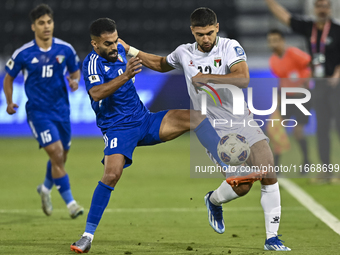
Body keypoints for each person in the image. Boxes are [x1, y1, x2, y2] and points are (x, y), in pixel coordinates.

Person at [70, 17, 251, 254]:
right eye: (107, 44)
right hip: (118, 129)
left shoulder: (121, 51)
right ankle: (87, 235)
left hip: (145, 121)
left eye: (115, 41)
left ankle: (229, 166)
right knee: (112, 175)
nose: (113, 47)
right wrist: (125, 75)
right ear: (95, 45)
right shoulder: (92, 63)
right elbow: (96, 93)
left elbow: (156, 62)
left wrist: (132, 51)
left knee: (195, 117)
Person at [119, 7, 291, 252]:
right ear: (193, 31)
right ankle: (213, 201)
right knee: (242, 186)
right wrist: (130, 50)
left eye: (209, 33)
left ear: (217, 28)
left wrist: (209, 78)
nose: (205, 39)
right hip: (212, 127)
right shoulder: (183, 53)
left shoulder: (230, 47)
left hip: (242, 120)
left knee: (268, 169)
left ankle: (272, 237)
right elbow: (159, 63)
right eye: (200, 34)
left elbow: (242, 78)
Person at [3, 4, 84, 218]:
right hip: (39, 112)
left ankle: (45, 189)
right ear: (33, 27)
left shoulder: (65, 49)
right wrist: (9, 102)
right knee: (56, 154)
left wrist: (75, 83)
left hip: (62, 111)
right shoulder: (24, 53)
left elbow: (76, 72)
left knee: (61, 157)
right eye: (41, 23)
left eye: (49, 22)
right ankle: (71, 204)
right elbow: (8, 78)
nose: (46, 26)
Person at [265, 0, 340, 182]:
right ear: (314, 9)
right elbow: (285, 17)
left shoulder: (337, 29)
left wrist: (337, 73)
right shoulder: (309, 27)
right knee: (321, 129)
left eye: (325, 6)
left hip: (336, 85)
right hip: (320, 86)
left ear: (330, 8)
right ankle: (326, 171)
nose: (322, 9)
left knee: (339, 127)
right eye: (319, 6)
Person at [267, 29, 312, 169]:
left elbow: (310, 64)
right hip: (286, 98)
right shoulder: (273, 60)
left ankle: (306, 161)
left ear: (282, 41)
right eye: (271, 41)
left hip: (301, 98)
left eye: (276, 40)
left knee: (298, 131)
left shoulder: (293, 53)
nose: (274, 43)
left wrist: (305, 83)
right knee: (276, 129)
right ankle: (276, 167)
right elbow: (282, 80)